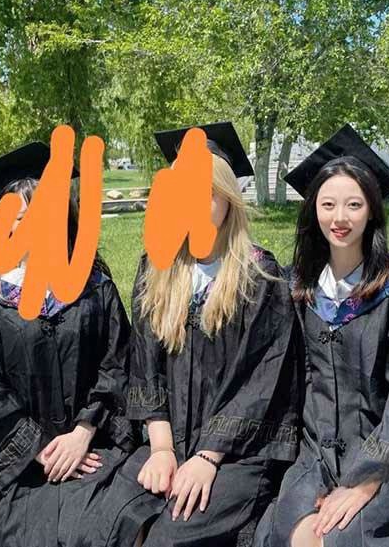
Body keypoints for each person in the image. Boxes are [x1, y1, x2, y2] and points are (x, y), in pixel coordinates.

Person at [97, 122, 301, 547]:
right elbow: (145, 364)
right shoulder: (157, 268)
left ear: (228, 200)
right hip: (170, 440)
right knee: (114, 523)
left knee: (168, 536)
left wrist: (207, 457)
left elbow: (260, 383)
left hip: (239, 453)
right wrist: (161, 449)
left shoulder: (259, 277)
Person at [0, 142, 137, 547]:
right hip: (15, 471)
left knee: (126, 519)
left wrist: (84, 431)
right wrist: (41, 448)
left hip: (94, 448)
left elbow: (117, 363)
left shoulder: (94, 288)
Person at [255, 124, 389, 547]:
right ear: (313, 210)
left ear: (372, 210)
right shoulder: (301, 286)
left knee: (336, 539)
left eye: (354, 205)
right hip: (315, 454)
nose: (340, 218)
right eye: (328, 204)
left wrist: (366, 479)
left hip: (387, 458)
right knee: (291, 534)